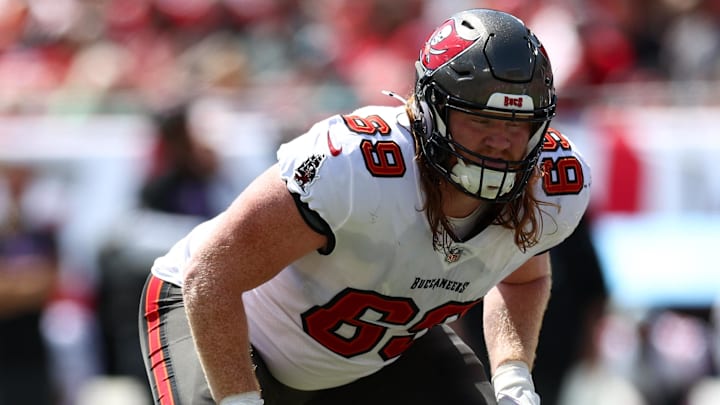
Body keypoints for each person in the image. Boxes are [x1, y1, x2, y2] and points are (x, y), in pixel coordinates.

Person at [138, 8, 591, 405]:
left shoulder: (551, 184)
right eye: (480, 120)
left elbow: (524, 279)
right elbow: (212, 275)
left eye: (520, 124)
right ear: (432, 111)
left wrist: (513, 374)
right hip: (230, 324)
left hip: (371, 357)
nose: (501, 142)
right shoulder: (357, 167)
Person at [0, 164, 60, 405]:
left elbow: (50, 284)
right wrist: (27, 281)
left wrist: (13, 285)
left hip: (34, 347)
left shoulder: (42, 235)